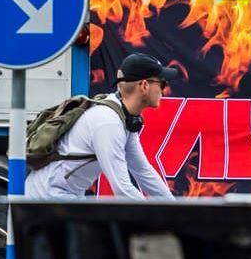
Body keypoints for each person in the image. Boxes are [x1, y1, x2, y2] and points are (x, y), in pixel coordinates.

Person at [24, 53, 178, 200]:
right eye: (162, 83)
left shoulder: (124, 118)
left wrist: (176, 211)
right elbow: (122, 189)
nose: (164, 90)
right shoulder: (108, 122)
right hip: (46, 198)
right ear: (144, 85)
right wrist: (160, 217)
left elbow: (143, 171)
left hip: (62, 196)